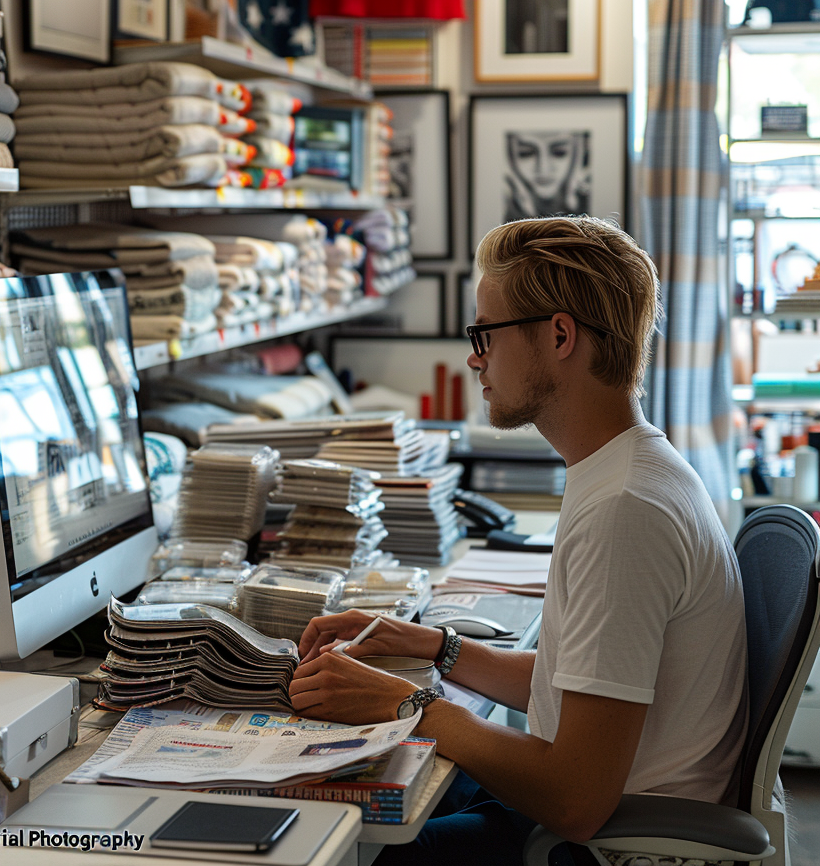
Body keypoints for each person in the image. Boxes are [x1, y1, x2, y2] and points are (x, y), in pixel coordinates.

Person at [289, 216, 748, 866]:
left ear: (560, 335)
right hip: (605, 807)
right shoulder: (628, 469)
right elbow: (591, 681)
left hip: (609, 843)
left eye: (484, 333)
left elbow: (574, 801)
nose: (475, 357)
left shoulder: (626, 508)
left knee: (357, 847)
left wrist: (407, 701)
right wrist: (432, 647)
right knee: (394, 788)